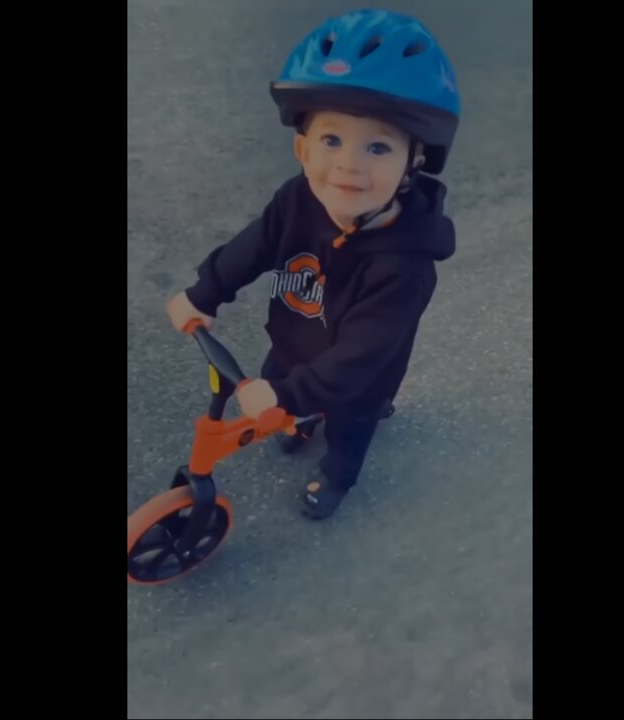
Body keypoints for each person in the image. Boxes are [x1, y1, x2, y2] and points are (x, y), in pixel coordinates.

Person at [165, 9, 460, 519]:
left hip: (359, 379)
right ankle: (297, 413)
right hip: (292, 343)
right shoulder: (298, 199)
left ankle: (338, 476)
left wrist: (288, 394)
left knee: (349, 424)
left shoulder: (405, 268)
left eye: (377, 146)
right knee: (273, 383)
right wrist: (204, 292)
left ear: (414, 160)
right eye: (331, 139)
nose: (348, 164)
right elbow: (255, 245)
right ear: (302, 148)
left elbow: (359, 356)